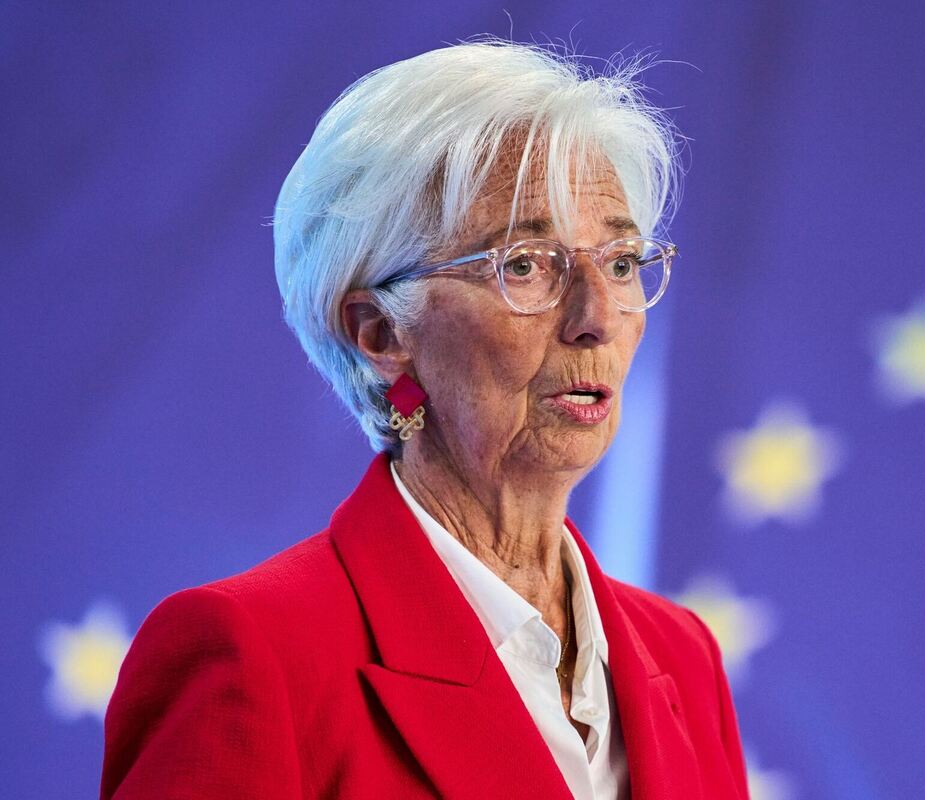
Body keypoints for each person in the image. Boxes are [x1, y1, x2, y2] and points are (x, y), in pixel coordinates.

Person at [101, 40, 750, 799]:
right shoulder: (251, 653)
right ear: (380, 333)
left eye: (619, 262)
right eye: (524, 264)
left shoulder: (684, 656)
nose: (597, 318)